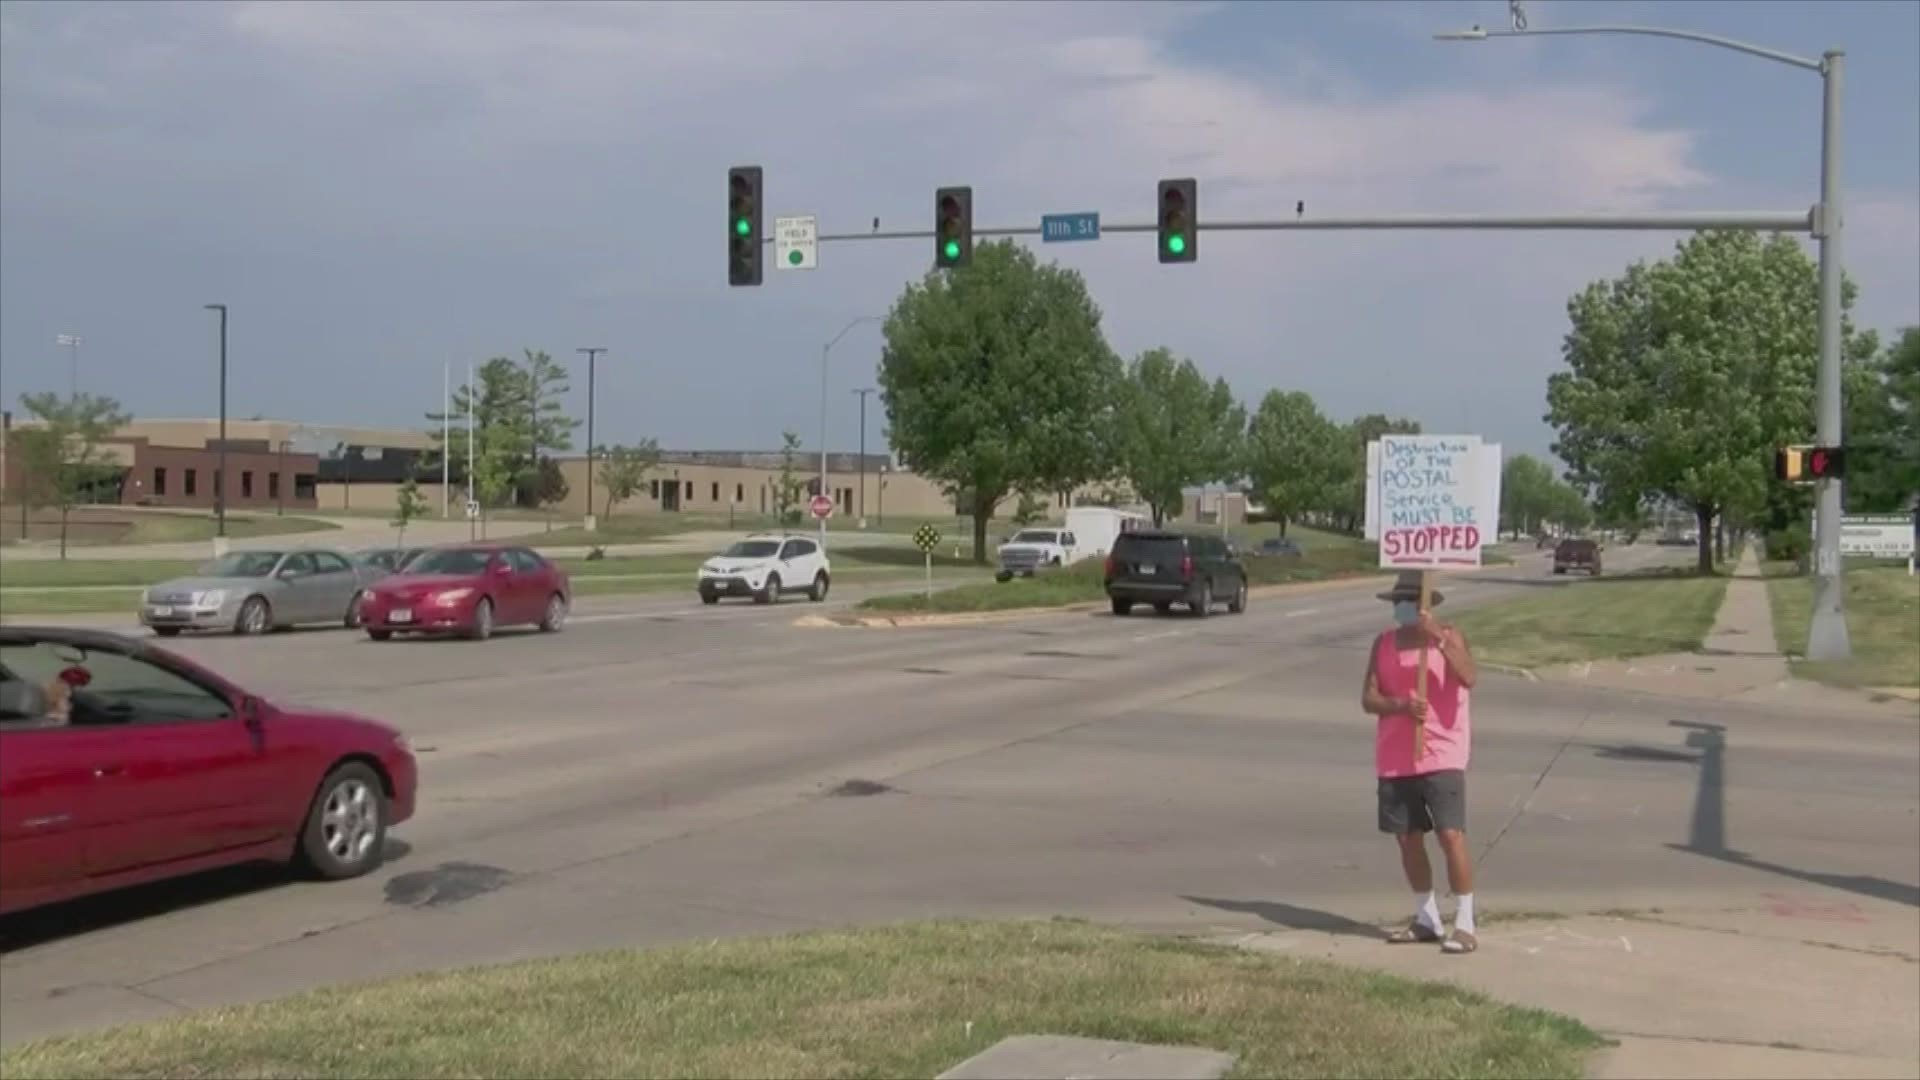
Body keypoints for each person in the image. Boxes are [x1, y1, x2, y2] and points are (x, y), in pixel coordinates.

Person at [1361, 570, 1480, 954]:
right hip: (1396, 757)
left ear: (1426, 605)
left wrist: (1440, 639)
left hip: (1443, 751)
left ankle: (1464, 921)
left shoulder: (1449, 636)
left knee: (1450, 835)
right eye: (1399, 601)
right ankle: (1426, 916)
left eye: (1409, 601)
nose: (1402, 608)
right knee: (1408, 839)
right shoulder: (1383, 643)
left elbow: (1469, 676)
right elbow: (1369, 699)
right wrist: (1398, 705)